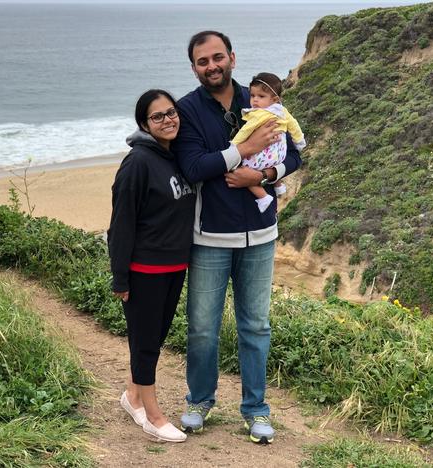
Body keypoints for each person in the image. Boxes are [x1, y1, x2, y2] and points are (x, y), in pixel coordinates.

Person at [171, 31, 302, 444]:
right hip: (209, 236)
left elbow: (293, 154)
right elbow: (193, 166)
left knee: (256, 327)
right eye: (202, 61)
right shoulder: (187, 110)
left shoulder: (261, 98)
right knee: (203, 328)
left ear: (232, 57)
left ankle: (256, 409)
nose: (212, 66)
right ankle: (200, 401)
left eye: (217, 57)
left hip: (262, 236)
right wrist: (242, 153)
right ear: (194, 68)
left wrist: (262, 175)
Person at [108, 89, 195, 443]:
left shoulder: (175, 156)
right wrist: (120, 277)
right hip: (145, 269)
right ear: (145, 124)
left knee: (155, 339)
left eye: (171, 112)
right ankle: (153, 417)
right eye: (157, 116)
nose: (167, 120)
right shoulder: (138, 163)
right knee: (145, 344)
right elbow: (122, 223)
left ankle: (132, 397)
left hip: (175, 266)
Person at [232, 72, 306, 212]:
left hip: (264, 153)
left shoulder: (259, 114)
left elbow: (246, 131)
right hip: (279, 153)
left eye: (261, 96)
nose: (254, 101)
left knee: (243, 169)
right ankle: (278, 185)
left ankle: (263, 197)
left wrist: (234, 145)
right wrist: (299, 140)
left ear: (274, 99)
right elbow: (293, 125)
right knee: (274, 164)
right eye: (252, 95)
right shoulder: (282, 111)